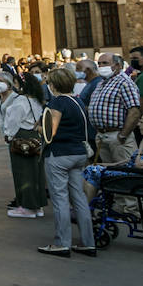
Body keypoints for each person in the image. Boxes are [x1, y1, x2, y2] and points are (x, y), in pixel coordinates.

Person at [38, 66, 97, 257]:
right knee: (79, 199)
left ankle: (62, 243)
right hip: (79, 152)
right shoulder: (77, 101)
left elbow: (49, 132)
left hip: (59, 154)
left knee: (60, 200)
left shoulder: (57, 104)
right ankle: (88, 242)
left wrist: (38, 128)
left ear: (53, 85)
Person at [83, 108, 143, 199]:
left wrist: (141, 147)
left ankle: (84, 210)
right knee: (94, 169)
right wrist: (108, 165)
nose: (138, 124)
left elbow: (141, 165)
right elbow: (130, 160)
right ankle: (88, 207)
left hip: (140, 177)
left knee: (91, 171)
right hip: (138, 174)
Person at [0, 70, 47, 218]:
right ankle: (37, 205)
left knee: (23, 173)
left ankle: (27, 206)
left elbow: (13, 121)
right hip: (35, 136)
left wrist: (8, 135)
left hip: (21, 136)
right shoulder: (37, 99)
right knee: (36, 172)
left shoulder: (21, 101)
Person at [91, 52, 142, 164]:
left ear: (118, 65)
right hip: (102, 135)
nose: (101, 66)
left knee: (125, 171)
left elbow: (134, 111)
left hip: (117, 135)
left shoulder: (124, 82)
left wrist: (122, 135)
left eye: (105, 63)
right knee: (109, 172)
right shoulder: (101, 83)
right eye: (99, 64)